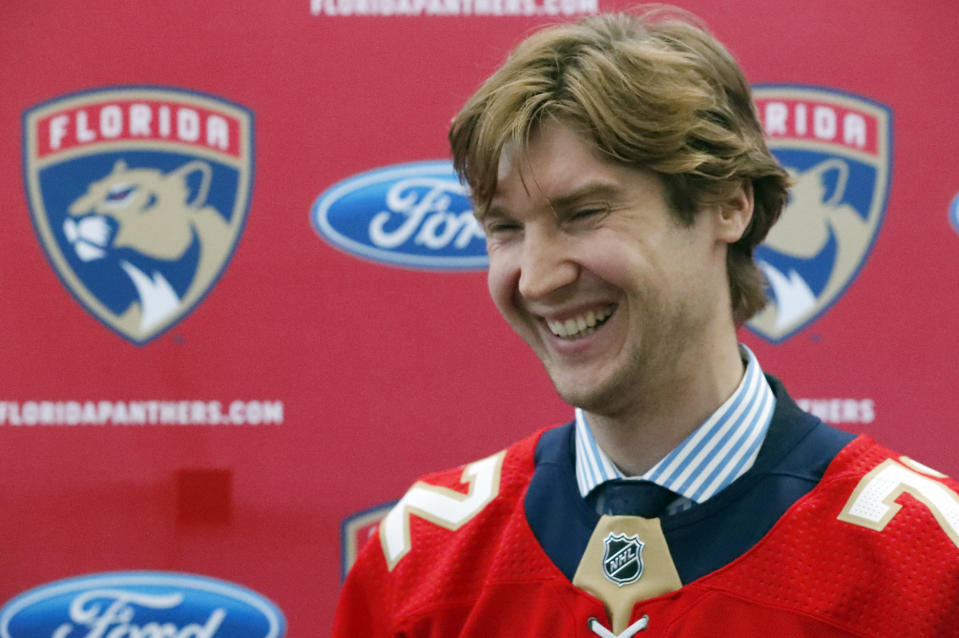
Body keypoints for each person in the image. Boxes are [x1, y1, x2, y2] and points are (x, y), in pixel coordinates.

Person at [332, 8, 959, 637]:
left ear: (728, 203)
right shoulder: (422, 559)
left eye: (584, 212)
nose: (537, 277)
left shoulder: (927, 565)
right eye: (506, 229)